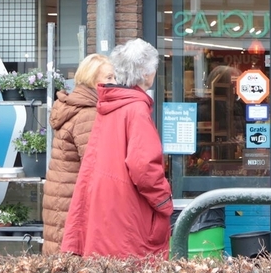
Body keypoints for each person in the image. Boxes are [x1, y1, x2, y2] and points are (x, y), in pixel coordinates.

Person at [61, 39, 173, 259]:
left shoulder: (110, 105)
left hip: (106, 211)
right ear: (145, 72)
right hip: (129, 213)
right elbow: (144, 167)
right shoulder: (136, 109)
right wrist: (164, 201)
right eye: (153, 68)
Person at [42, 53, 115, 254]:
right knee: (71, 270)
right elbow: (95, 168)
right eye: (109, 77)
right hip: (71, 203)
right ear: (92, 80)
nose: (115, 82)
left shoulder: (74, 107)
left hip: (62, 200)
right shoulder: (88, 115)